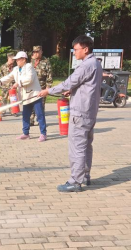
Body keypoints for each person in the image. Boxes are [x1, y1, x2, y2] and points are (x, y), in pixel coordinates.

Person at [38, 35, 102, 192]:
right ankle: (85, 176)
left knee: (77, 147)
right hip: (89, 111)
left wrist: (48, 91)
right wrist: (72, 91)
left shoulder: (86, 65)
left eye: (76, 49)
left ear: (85, 49)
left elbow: (69, 82)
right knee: (86, 145)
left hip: (80, 112)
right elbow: (83, 85)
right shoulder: (96, 63)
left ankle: (75, 181)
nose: (74, 53)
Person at [0, 51, 47, 142]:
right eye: (16, 60)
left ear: (24, 59)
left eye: (18, 59)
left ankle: (43, 134)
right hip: (26, 97)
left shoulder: (29, 67)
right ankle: (26, 133)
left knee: (40, 115)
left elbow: (29, 79)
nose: (16, 61)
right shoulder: (16, 69)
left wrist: (18, 83)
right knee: (25, 116)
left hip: (35, 95)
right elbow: (8, 77)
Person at [30, 46, 53, 126]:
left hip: (41, 87)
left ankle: (40, 121)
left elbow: (49, 75)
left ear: (41, 52)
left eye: (37, 52)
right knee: (31, 103)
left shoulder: (46, 62)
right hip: (31, 87)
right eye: (34, 52)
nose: (36, 54)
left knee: (41, 105)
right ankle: (31, 120)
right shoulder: (31, 62)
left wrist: (48, 87)